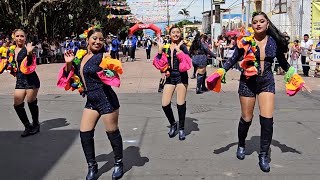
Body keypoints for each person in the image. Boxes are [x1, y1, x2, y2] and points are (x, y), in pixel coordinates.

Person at [207, 12, 311, 172]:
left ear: (267, 24)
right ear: (252, 25)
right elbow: (233, 58)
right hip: (247, 83)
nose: (258, 24)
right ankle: (241, 144)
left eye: (262, 21)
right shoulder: (245, 42)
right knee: (246, 118)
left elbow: (283, 63)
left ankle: (263, 155)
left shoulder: (273, 42)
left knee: (267, 120)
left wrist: (297, 79)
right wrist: (220, 72)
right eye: (255, 22)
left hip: (266, 82)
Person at [57, 27, 124, 180]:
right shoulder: (81, 56)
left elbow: (113, 75)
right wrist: (68, 63)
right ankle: (92, 166)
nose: (98, 41)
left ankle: (118, 163)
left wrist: (109, 66)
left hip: (107, 100)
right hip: (91, 101)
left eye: (101, 39)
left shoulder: (103, 57)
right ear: (87, 40)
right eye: (95, 38)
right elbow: (71, 74)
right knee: (85, 134)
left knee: (112, 133)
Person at [153, 25, 191, 140]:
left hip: (181, 77)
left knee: (180, 103)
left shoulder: (183, 46)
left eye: (177, 32)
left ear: (180, 34)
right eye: (173, 32)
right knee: (165, 104)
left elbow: (187, 63)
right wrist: (160, 51)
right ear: (169, 35)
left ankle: (181, 128)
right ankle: (173, 124)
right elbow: (159, 64)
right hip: (170, 77)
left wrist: (179, 51)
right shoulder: (166, 46)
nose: (175, 34)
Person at [8, 29, 40, 137]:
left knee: (31, 102)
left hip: (31, 79)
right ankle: (27, 125)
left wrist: (30, 53)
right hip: (20, 80)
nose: (20, 38)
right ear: (14, 37)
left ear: (25, 37)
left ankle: (36, 125)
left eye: (22, 36)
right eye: (17, 36)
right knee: (17, 104)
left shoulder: (28, 48)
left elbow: (31, 64)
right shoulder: (11, 50)